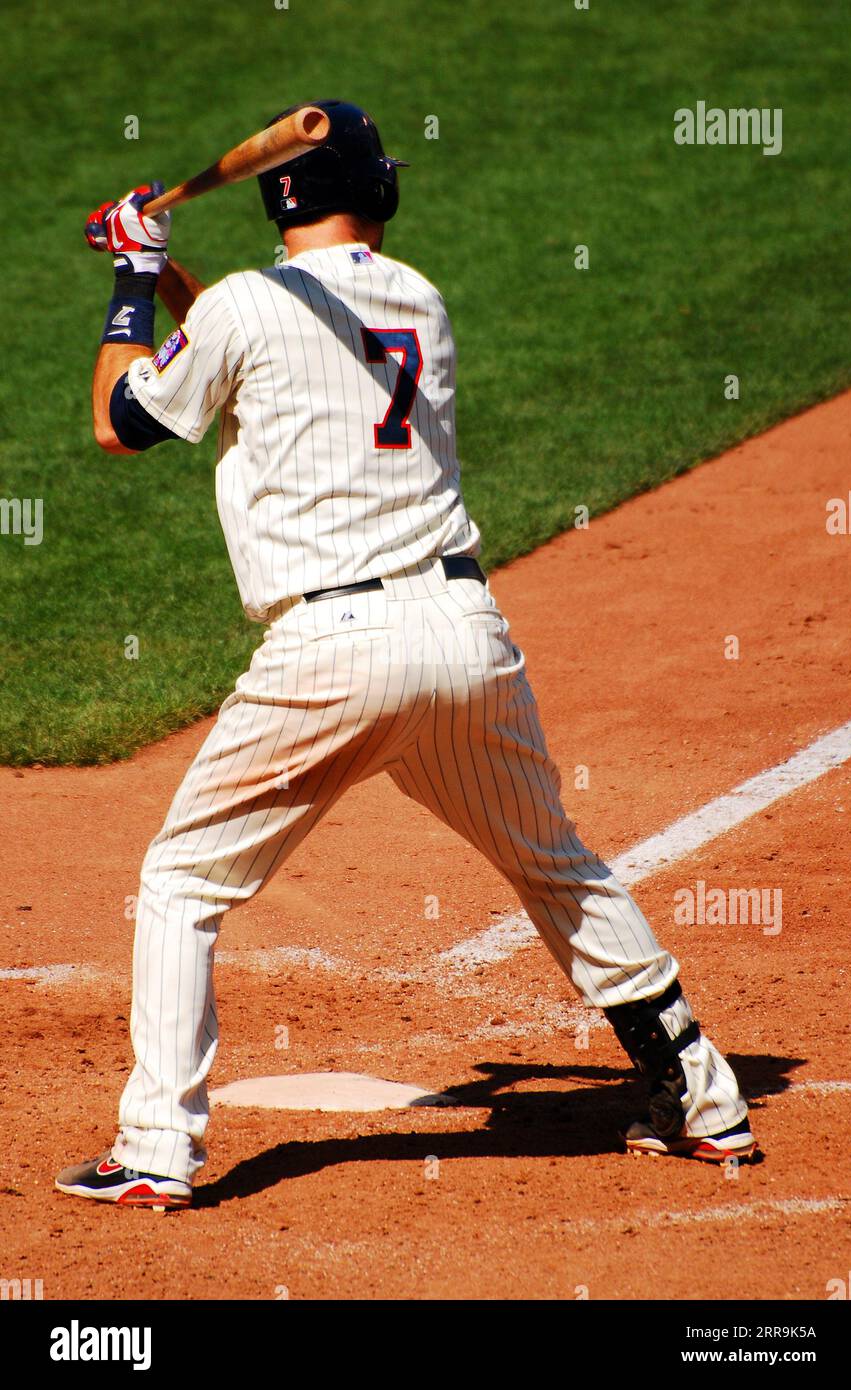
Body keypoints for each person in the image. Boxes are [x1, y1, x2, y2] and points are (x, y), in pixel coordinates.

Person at [56, 100, 756, 1209]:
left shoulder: (247, 309)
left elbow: (124, 419)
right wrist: (181, 275)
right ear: (370, 189)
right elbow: (255, 350)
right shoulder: (414, 298)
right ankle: (706, 1102)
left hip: (331, 656)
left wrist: (134, 281)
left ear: (277, 195)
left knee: (182, 880)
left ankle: (153, 1150)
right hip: (465, 642)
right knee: (555, 864)